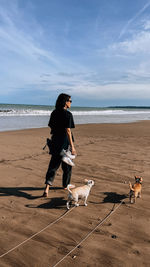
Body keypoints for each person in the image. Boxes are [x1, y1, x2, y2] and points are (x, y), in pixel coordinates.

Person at [43, 93, 76, 197]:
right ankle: (65, 185)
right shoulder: (68, 114)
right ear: (65, 102)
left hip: (55, 141)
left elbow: (51, 127)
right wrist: (72, 146)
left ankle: (47, 188)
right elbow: (68, 130)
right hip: (65, 143)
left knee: (53, 166)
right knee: (67, 166)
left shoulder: (54, 113)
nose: (71, 103)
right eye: (70, 101)